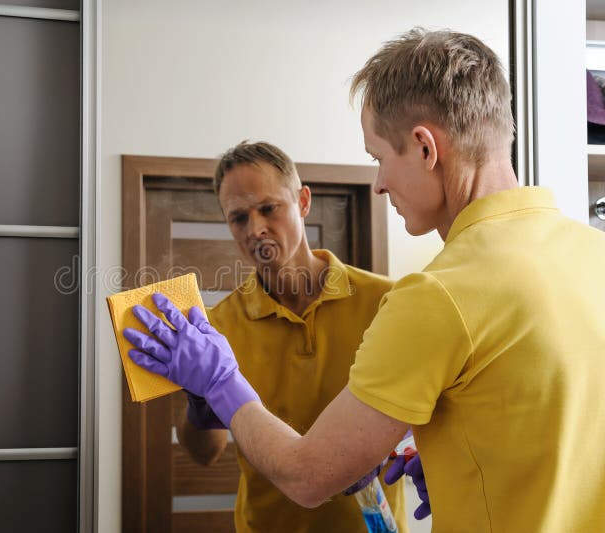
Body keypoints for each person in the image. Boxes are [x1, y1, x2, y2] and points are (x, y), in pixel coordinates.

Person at [125, 28, 605, 532]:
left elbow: (308, 476)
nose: (379, 184)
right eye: (238, 217)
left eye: (378, 157)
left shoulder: (431, 295)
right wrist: (455, 460)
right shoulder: (594, 253)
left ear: (424, 148)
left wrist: (221, 381)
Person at [175, 140, 408, 532]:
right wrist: (199, 398)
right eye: (239, 218)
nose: (256, 229)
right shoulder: (219, 326)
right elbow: (205, 454)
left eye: (268, 209)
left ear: (302, 201)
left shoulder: (386, 301)